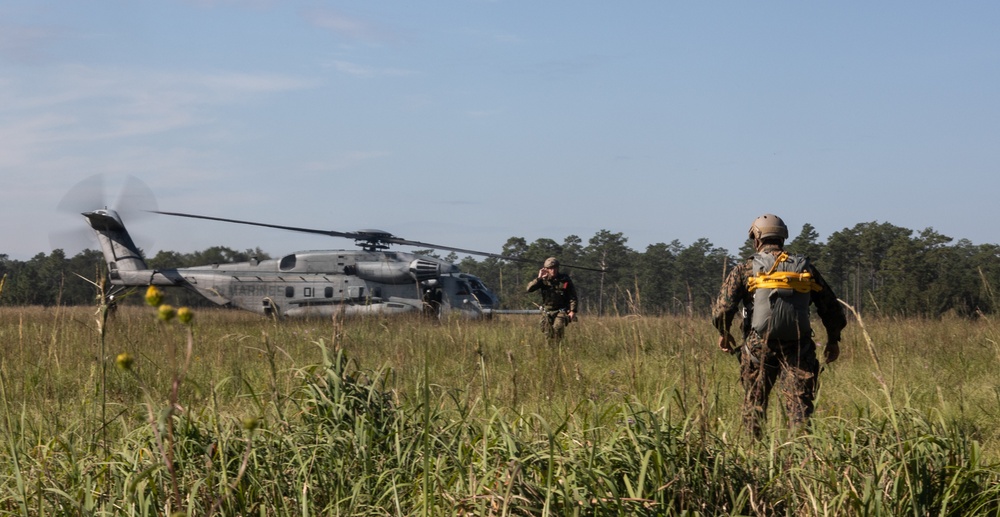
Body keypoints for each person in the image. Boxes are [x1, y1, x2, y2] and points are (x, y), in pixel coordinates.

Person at [712, 214, 847, 438]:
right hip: (798, 348)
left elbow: (723, 309)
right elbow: (831, 309)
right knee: (799, 410)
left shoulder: (745, 269)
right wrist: (833, 340)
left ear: (757, 239)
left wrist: (724, 333)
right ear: (782, 238)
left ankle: (753, 456)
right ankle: (801, 460)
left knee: (754, 406)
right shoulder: (805, 269)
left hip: (757, 347)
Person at [526, 257, 578, 340]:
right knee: (548, 334)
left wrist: (573, 311)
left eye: (555, 268)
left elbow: (572, 296)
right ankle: (551, 351)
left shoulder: (564, 280)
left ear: (558, 268)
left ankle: (559, 349)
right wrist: (539, 278)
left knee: (558, 329)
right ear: (546, 269)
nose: (553, 270)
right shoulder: (543, 280)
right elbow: (529, 289)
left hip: (561, 310)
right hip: (547, 312)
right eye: (550, 269)